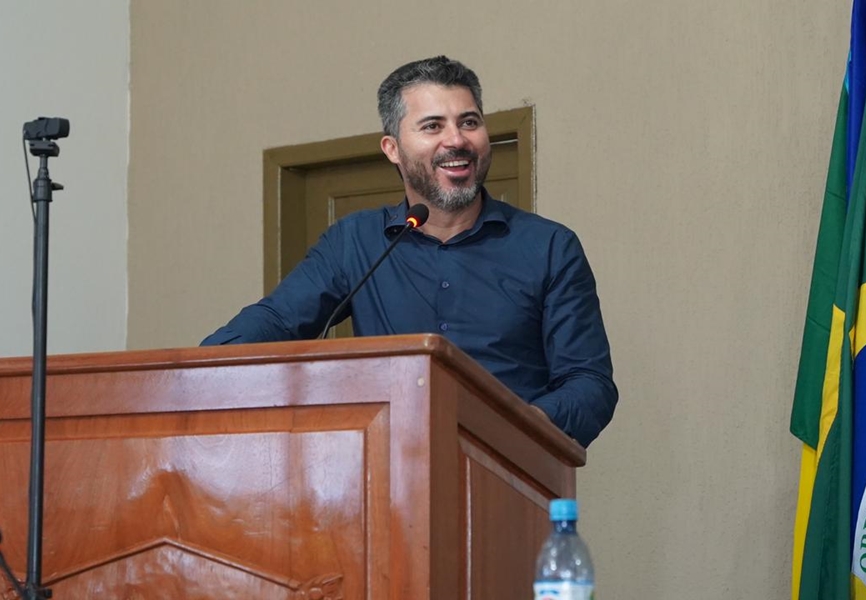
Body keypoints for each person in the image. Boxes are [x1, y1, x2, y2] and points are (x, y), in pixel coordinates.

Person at [201, 56, 617, 447]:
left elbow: (589, 383)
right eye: (432, 126)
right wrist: (194, 372)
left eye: (469, 122)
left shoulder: (549, 247)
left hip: (510, 472)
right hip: (386, 472)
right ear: (393, 149)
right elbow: (277, 321)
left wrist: (520, 428)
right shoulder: (355, 241)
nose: (456, 140)